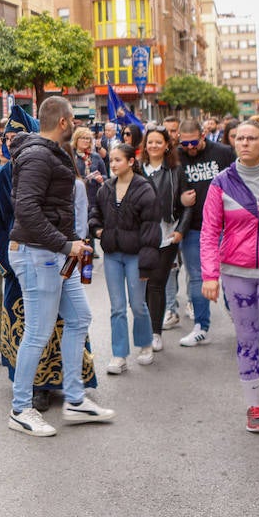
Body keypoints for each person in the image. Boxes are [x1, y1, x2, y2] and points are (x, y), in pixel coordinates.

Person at [5, 97, 113, 436]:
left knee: (79, 316)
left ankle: (76, 399)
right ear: (64, 122)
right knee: (38, 331)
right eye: (74, 120)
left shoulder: (47, 152)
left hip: (51, 253)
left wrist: (69, 247)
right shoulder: (39, 154)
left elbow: (53, 208)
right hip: (39, 254)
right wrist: (67, 244)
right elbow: (27, 212)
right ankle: (20, 409)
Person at [199, 118, 259, 433]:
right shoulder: (221, 183)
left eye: (251, 138)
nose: (244, 143)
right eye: (239, 138)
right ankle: (254, 405)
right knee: (248, 339)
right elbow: (210, 232)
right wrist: (210, 275)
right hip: (235, 272)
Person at [89, 144, 159, 374]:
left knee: (138, 304)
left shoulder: (144, 189)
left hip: (136, 255)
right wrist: (99, 231)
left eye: (118, 160)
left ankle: (145, 344)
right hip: (112, 255)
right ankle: (119, 355)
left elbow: (151, 229)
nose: (113, 164)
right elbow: (94, 213)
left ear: (131, 161)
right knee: (117, 307)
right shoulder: (106, 188)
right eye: (112, 160)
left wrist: (148, 262)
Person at [174, 118, 235, 347]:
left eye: (193, 143)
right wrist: (180, 200)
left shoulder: (223, 152)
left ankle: (238, 317)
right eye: (184, 143)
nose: (189, 148)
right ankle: (201, 326)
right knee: (197, 277)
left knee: (230, 277)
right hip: (193, 227)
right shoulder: (177, 156)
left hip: (224, 226)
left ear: (203, 136)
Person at [140, 126, 183, 353]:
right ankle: (145, 328)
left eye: (159, 142)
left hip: (166, 236)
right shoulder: (137, 169)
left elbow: (187, 206)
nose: (154, 146)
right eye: (150, 142)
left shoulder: (175, 171)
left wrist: (181, 230)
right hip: (140, 237)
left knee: (156, 284)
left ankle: (155, 333)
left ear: (167, 145)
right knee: (142, 287)